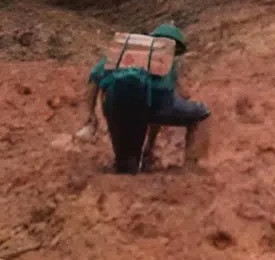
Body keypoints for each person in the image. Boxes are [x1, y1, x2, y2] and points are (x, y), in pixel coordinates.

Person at [79, 23, 212, 173]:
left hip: (115, 107)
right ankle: (192, 168)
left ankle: (126, 167)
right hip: (151, 109)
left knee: (127, 165)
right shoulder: (167, 64)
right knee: (202, 113)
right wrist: (150, 145)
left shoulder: (122, 54)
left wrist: (90, 115)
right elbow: (165, 102)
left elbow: (93, 80)